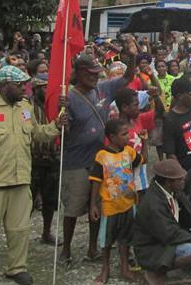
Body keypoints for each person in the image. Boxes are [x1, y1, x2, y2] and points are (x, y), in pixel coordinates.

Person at [0, 65, 68, 285]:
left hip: (21, 180)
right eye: (20, 85)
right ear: (5, 85)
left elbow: (36, 133)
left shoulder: (25, 107)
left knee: (20, 230)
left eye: (25, 84)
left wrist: (55, 126)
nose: (24, 88)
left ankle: (16, 267)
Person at [59, 53, 128, 263]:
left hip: (100, 160)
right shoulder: (68, 97)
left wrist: (132, 57)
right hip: (76, 161)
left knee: (96, 205)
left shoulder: (103, 88)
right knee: (73, 207)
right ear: (79, 73)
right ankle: (66, 248)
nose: (94, 77)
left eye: (97, 73)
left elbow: (127, 78)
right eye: (90, 73)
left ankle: (92, 248)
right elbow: (65, 133)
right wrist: (62, 121)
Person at [132, 152, 191, 285]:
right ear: (168, 182)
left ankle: (173, 266)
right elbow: (170, 233)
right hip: (151, 249)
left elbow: (190, 180)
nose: (183, 180)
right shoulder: (153, 204)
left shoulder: (170, 189)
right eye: (180, 179)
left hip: (164, 241)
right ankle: (154, 272)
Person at [88, 119, 142, 283]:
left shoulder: (129, 152)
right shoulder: (101, 156)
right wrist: (93, 205)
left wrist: (144, 142)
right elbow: (96, 181)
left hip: (128, 204)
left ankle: (124, 267)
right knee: (107, 240)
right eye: (124, 134)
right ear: (112, 137)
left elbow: (141, 161)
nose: (128, 137)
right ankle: (106, 269)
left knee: (125, 238)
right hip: (110, 206)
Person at [29, 73, 60, 245]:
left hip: (52, 157)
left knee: (50, 200)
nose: (46, 90)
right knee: (28, 200)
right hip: (34, 158)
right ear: (35, 89)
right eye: (43, 87)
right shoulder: (28, 107)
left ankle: (46, 232)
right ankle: (21, 235)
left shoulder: (55, 106)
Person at [162, 76, 191, 171]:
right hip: (186, 171)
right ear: (179, 96)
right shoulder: (170, 120)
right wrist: (181, 174)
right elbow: (170, 154)